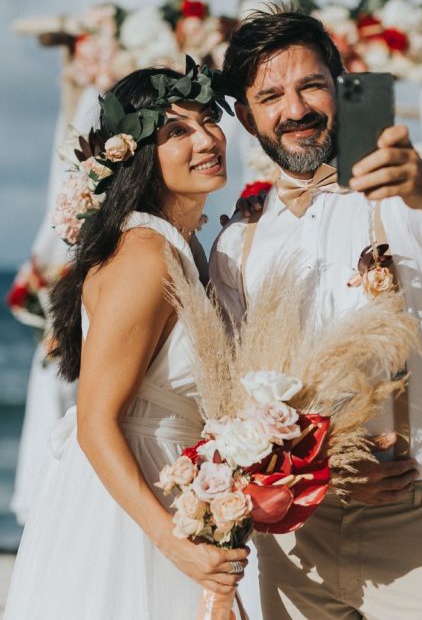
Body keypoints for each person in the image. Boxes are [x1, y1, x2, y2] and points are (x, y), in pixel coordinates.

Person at [211, 8, 422, 620]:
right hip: (296, 539)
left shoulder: (413, 189)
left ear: (340, 87)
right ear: (246, 117)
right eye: (270, 96)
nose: (296, 109)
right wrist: (316, 476)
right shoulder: (241, 241)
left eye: (311, 85)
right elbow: (240, 396)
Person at [4, 64, 250, 618]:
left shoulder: (183, 246)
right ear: (139, 153)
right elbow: (94, 421)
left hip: (179, 483)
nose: (208, 137)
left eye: (208, 119)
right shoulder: (145, 255)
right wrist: (173, 541)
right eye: (176, 131)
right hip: (134, 503)